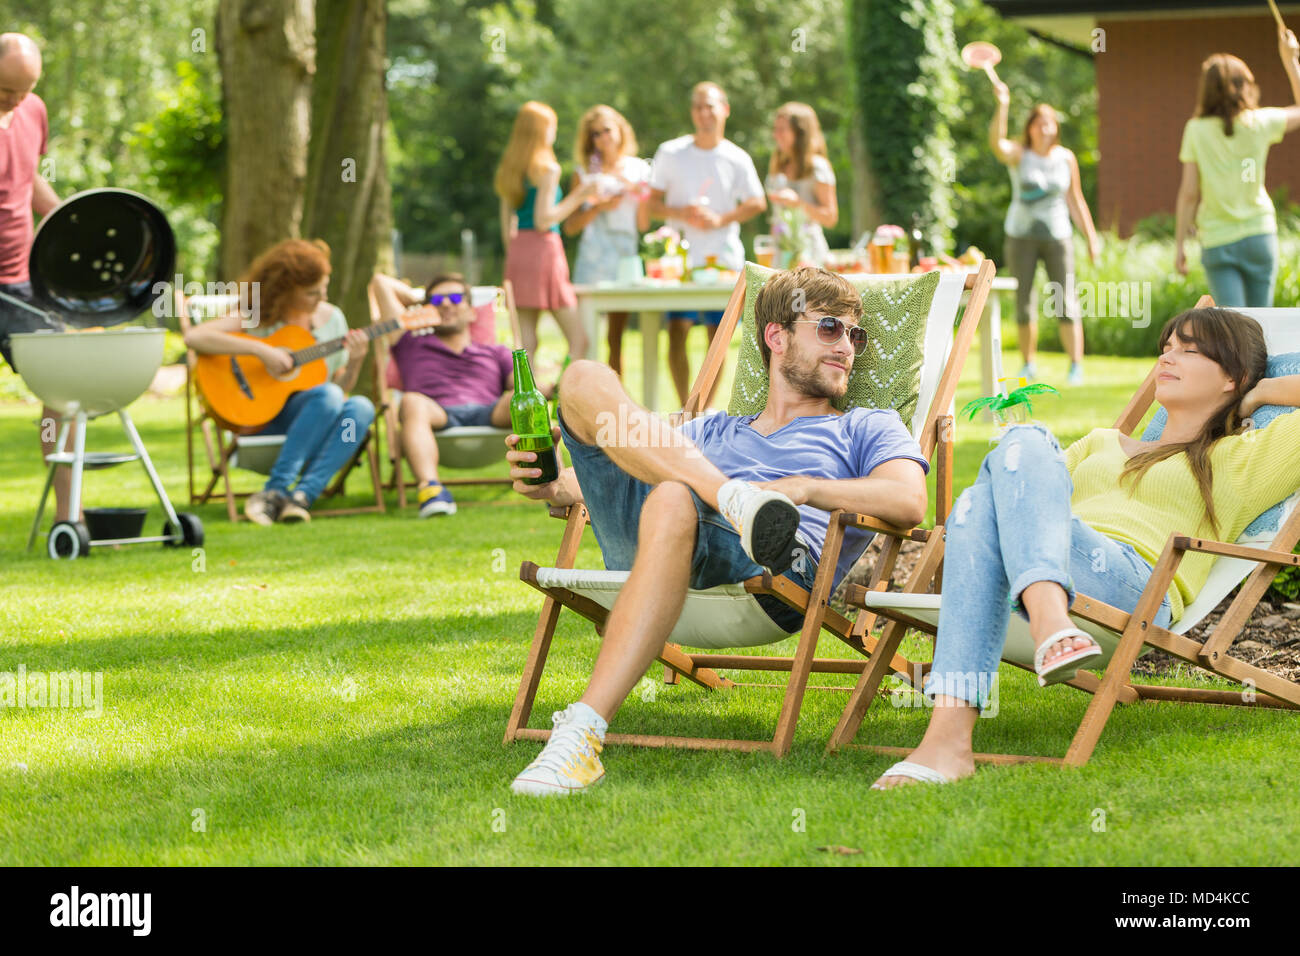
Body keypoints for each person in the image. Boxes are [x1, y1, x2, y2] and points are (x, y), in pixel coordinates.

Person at [504, 267, 931, 796]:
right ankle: (731, 494)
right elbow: (594, 480)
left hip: (771, 565)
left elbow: (908, 500)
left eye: (854, 335)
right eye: (829, 328)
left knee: (673, 493)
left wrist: (800, 488)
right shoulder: (711, 428)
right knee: (583, 376)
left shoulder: (866, 424)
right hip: (658, 537)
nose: (847, 346)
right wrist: (549, 487)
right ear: (776, 336)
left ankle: (583, 733)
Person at [870, 307, 1300, 790]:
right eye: (1166, 348)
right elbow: (1011, 496)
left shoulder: (1242, 459)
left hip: (1136, 584)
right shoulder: (1101, 443)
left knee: (998, 474)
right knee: (1008, 463)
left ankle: (951, 737)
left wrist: (1256, 394)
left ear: (1232, 376)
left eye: (1189, 350)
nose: (1166, 358)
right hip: (1058, 567)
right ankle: (1048, 622)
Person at [183, 239, 375, 525]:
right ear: (284, 291)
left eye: (325, 286)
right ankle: (278, 488)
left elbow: (340, 388)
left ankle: (300, 497)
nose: (322, 297)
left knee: (360, 408)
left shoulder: (334, 319)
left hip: (320, 422)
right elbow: (195, 337)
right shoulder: (258, 315)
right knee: (328, 396)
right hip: (262, 420)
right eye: (312, 293)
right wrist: (261, 350)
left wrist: (356, 360)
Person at [648, 82, 766, 407]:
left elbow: (757, 202)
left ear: (725, 109)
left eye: (710, 106)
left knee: (718, 339)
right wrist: (679, 211)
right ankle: (683, 407)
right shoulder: (670, 152)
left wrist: (722, 218)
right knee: (676, 332)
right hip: (679, 262)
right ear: (692, 113)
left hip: (723, 260)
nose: (704, 113)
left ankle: (700, 410)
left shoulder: (736, 157)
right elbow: (651, 204)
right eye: (698, 107)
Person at [369, 270, 517, 518]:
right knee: (411, 400)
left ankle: (549, 482)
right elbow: (379, 282)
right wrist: (421, 306)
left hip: (490, 412)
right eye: (438, 301)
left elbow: (520, 387)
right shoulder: (408, 342)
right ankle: (432, 491)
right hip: (436, 413)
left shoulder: (496, 352)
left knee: (523, 398)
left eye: (456, 299)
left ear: (472, 311)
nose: (447, 303)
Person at [1175, 25, 1300, 309]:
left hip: (1218, 240)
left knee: (1233, 325)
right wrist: (1290, 59)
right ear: (1243, 87)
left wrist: (1180, 244)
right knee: (1258, 326)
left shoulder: (1195, 130)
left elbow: (1189, 194)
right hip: (1259, 234)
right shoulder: (1259, 122)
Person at [989, 81, 1099, 385]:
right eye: (1038, 123)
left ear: (1055, 128)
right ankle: (1028, 364)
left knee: (1066, 299)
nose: (1044, 128)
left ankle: (1075, 366)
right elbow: (997, 144)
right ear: (1030, 128)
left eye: (1049, 123)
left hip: (1058, 236)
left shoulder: (1066, 158)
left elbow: (1075, 200)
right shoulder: (1019, 154)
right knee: (1024, 300)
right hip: (1020, 235)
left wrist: (1091, 237)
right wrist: (1002, 104)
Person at [0, 34, 66, 517]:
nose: (17, 102)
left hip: (22, 282)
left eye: (26, 91)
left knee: (61, 387)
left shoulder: (33, 111)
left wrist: (63, 217)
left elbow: (27, 177)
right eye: (6, 93)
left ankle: (71, 515)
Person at [496, 101, 597, 362]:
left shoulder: (510, 170)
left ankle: (528, 397)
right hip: (544, 250)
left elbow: (506, 226)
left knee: (527, 341)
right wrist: (580, 195)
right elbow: (544, 220)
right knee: (579, 340)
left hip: (518, 252)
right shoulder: (547, 169)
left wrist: (517, 255)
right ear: (544, 131)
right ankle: (563, 393)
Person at [563, 104, 651, 378]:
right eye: (595, 134)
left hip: (624, 256)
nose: (603, 138)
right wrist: (598, 207)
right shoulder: (585, 172)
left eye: (607, 130)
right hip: (593, 256)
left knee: (617, 337)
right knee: (586, 336)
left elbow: (644, 223)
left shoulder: (639, 169)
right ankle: (580, 398)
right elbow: (570, 226)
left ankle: (615, 400)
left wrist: (636, 192)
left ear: (620, 130)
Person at [765, 102, 838, 268]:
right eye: (775, 129)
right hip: (780, 256)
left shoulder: (817, 167)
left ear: (799, 133)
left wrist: (798, 203)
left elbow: (830, 218)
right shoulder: (777, 168)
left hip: (810, 256)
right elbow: (776, 220)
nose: (776, 135)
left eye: (782, 129)